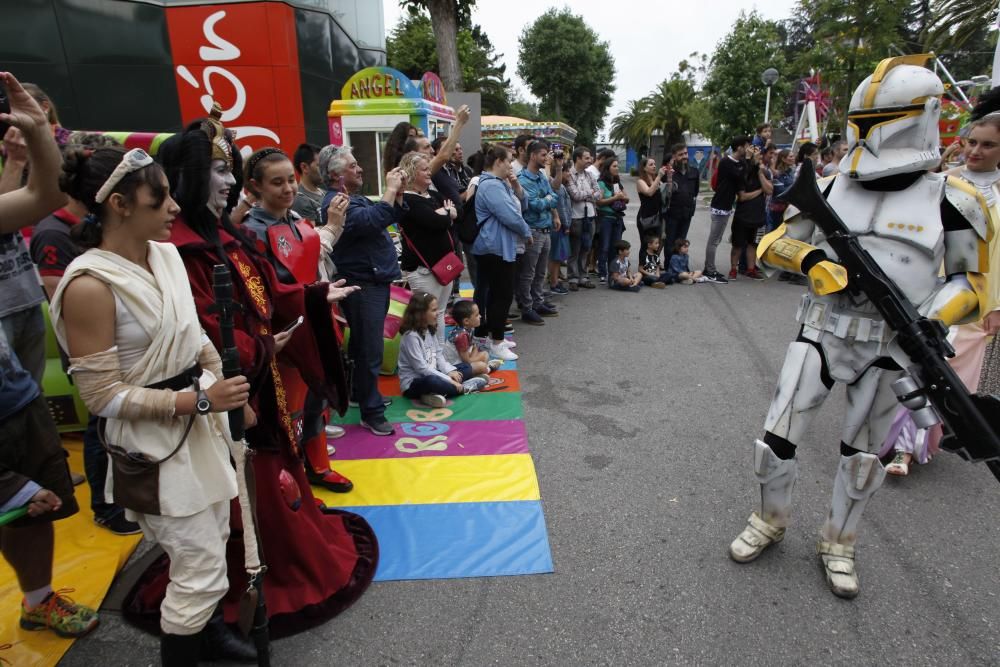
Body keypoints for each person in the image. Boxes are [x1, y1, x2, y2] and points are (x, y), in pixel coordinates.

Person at [728, 56, 991, 599]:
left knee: (863, 456)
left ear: (924, 115)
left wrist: (930, 321)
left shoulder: (955, 199)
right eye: (863, 122)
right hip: (820, 331)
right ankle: (770, 520)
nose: (869, 135)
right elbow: (773, 243)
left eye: (886, 119)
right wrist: (812, 264)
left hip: (891, 345)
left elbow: (970, 287)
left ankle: (839, 542)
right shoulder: (828, 186)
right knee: (775, 440)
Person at [152, 111, 377, 636]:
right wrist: (259, 346)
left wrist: (314, 297)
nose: (230, 184)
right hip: (221, 395)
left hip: (259, 379)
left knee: (274, 473)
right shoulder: (178, 250)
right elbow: (202, 332)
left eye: (231, 170)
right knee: (239, 491)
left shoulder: (222, 237)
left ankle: (271, 556)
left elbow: (272, 292)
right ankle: (230, 590)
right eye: (219, 170)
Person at [51, 145, 254, 663]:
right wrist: (201, 401)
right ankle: (188, 646)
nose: (174, 208)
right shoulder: (90, 286)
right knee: (198, 565)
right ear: (118, 204)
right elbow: (100, 396)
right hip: (153, 448)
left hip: (200, 422)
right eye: (158, 197)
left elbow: (194, 336)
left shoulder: (164, 253)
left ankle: (209, 636)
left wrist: (225, 393)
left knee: (212, 540)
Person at [0, 70, 98, 641]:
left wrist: (36, 133)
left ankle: (37, 598)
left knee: (35, 499)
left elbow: (41, 195)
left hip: (12, 387)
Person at [881, 103, 1000, 476]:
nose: (975, 151)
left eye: (987, 145)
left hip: (978, 304)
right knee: (920, 369)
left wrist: (996, 306)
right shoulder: (943, 184)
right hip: (931, 293)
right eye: (971, 142)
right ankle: (902, 449)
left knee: (950, 382)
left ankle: (924, 442)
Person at [240, 147, 354, 493]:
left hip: (316, 320)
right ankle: (293, 480)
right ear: (255, 187)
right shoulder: (250, 232)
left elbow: (314, 261)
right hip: (283, 334)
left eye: (290, 180)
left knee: (317, 397)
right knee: (289, 409)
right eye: (277, 182)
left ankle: (318, 465)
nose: (289, 188)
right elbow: (264, 288)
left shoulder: (299, 222)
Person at [328, 147, 406, 436]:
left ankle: (363, 396)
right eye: (353, 165)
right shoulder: (336, 201)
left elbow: (382, 217)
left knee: (365, 347)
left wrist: (396, 195)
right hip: (364, 283)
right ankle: (371, 413)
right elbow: (371, 221)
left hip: (373, 280)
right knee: (370, 349)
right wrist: (389, 190)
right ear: (337, 175)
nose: (360, 169)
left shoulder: (353, 198)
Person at [471, 145, 531, 362]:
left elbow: (522, 204)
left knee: (497, 294)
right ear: (497, 161)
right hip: (493, 248)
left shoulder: (498, 183)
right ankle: (496, 341)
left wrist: (514, 183)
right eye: (509, 160)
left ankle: (493, 337)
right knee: (501, 295)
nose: (511, 164)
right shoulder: (491, 186)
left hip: (497, 247)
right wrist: (526, 231)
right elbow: (511, 215)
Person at [398, 151, 458, 339]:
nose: (429, 172)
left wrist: (445, 212)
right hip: (423, 269)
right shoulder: (407, 200)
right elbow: (435, 222)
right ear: (412, 173)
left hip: (444, 264)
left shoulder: (432, 194)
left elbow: (456, 209)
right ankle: (426, 357)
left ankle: (437, 354)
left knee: (439, 312)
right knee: (425, 316)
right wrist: (446, 213)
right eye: (424, 169)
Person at [397, 292, 488, 408]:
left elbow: (438, 355)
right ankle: (464, 387)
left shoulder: (429, 329)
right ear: (421, 313)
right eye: (434, 310)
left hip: (435, 372)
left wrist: (449, 372)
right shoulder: (411, 336)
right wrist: (449, 380)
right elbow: (421, 368)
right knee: (432, 382)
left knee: (464, 368)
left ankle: (434, 394)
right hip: (415, 383)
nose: (438, 313)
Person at [516, 139, 560, 325]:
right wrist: (547, 199)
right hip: (532, 231)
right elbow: (533, 205)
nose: (546, 157)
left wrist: (548, 201)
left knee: (540, 272)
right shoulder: (522, 179)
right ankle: (526, 308)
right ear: (533, 155)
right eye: (543, 154)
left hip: (545, 229)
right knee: (528, 273)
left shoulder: (542, 176)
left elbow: (554, 197)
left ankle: (538, 302)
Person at [705, 136, 749, 284]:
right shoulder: (726, 162)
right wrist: (748, 161)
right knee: (714, 240)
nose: (748, 148)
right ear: (739, 147)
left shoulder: (741, 163)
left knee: (716, 239)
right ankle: (709, 270)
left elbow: (744, 177)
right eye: (746, 146)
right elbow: (739, 176)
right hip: (720, 205)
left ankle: (710, 269)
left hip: (728, 205)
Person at [729, 145, 771, 281]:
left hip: (759, 215)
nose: (759, 159)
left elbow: (769, 190)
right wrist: (759, 191)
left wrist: (760, 173)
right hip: (743, 214)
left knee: (754, 244)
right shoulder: (743, 173)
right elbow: (742, 196)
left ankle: (751, 269)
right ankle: (733, 269)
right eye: (756, 156)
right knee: (738, 244)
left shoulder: (763, 173)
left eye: (760, 156)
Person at [565, 147, 599, 290]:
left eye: (590, 158)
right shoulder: (569, 175)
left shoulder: (590, 175)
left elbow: (599, 193)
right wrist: (590, 193)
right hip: (575, 217)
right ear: (577, 159)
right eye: (586, 158)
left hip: (590, 216)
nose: (589, 160)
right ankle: (573, 277)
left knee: (586, 247)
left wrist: (588, 193)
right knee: (575, 248)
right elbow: (575, 195)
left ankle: (583, 277)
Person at [662, 144, 700, 266]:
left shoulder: (694, 171)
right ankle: (669, 267)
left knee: (681, 241)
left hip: (687, 213)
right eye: (681, 154)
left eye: (685, 153)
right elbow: (663, 194)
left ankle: (679, 266)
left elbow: (695, 192)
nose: (684, 156)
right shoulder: (669, 173)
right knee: (670, 241)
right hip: (672, 213)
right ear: (674, 157)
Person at [445, 300, 502, 376]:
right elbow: (467, 361)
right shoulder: (461, 336)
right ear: (466, 321)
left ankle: (481, 371)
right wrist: (476, 352)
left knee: (484, 355)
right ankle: (487, 369)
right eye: (477, 315)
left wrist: (475, 350)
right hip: (453, 367)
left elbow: (472, 349)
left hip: (462, 359)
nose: (480, 316)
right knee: (482, 361)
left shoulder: (468, 328)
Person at [595, 158, 628, 284]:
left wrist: (622, 197)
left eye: (617, 166)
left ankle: (613, 273)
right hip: (606, 218)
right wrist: (615, 197)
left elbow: (627, 198)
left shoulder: (617, 182)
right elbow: (599, 202)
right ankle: (602, 273)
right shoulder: (601, 183)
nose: (617, 168)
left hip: (617, 218)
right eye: (614, 166)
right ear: (608, 168)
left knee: (615, 247)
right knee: (604, 246)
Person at [548, 164, 572, 295]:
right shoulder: (556, 186)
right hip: (558, 226)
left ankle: (555, 279)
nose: (569, 173)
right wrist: (566, 225)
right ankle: (554, 283)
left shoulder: (561, 186)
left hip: (560, 226)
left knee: (559, 255)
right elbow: (561, 208)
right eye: (567, 171)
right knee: (556, 256)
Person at [290, 143, 325, 224]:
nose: (325, 170)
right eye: (319, 166)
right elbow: (312, 235)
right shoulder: (300, 200)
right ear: (304, 167)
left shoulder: (324, 193)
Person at [636, 157, 668, 240]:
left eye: (654, 164)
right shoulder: (640, 181)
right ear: (644, 168)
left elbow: (666, 195)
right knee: (646, 245)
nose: (654, 166)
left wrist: (670, 177)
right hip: (646, 217)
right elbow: (649, 192)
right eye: (651, 164)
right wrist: (659, 176)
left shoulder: (657, 181)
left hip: (657, 216)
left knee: (656, 244)